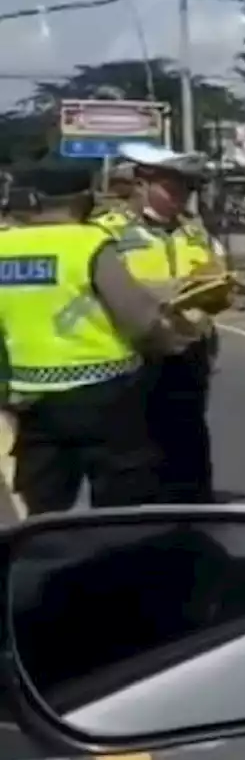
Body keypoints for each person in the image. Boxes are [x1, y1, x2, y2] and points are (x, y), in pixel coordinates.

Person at [0, 221, 203, 515]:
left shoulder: (5, 246)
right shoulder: (88, 242)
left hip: (35, 401)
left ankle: (48, 556)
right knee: (122, 508)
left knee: (44, 507)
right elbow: (140, 322)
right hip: (108, 396)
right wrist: (173, 341)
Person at [102, 142, 229, 503]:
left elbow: (216, 282)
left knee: (189, 442)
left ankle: (193, 512)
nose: (181, 198)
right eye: (172, 189)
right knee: (134, 449)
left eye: (186, 190)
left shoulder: (194, 233)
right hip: (134, 355)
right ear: (141, 185)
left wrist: (217, 292)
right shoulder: (108, 233)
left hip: (189, 352)